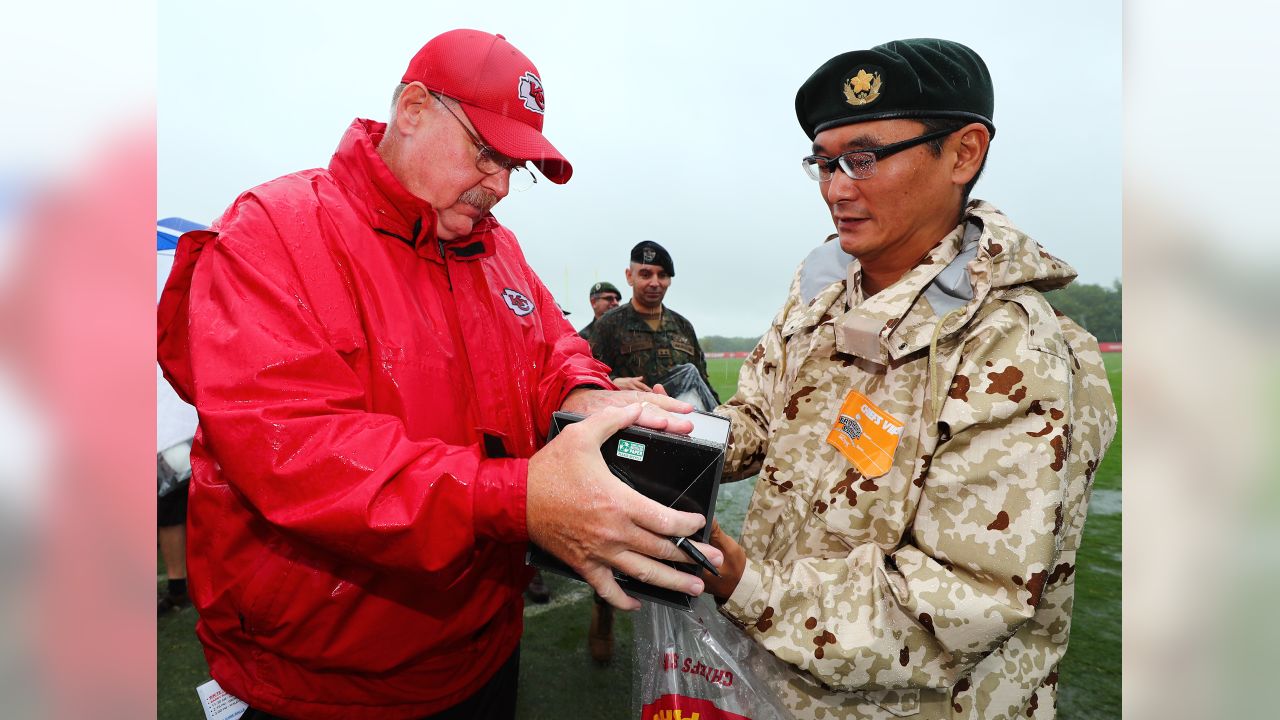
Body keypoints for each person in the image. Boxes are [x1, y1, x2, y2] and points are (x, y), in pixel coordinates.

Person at [156, 29, 720, 720]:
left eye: (517, 166)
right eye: (487, 153)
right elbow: (297, 453)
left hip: (482, 650)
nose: (502, 186)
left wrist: (585, 395)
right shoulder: (274, 232)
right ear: (413, 110)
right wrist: (517, 501)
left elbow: (553, 349)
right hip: (320, 683)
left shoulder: (496, 248)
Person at [703, 39, 1117, 719]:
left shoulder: (1011, 343)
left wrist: (746, 585)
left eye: (863, 159)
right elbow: (762, 414)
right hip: (780, 684)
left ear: (964, 153)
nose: (837, 189)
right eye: (824, 163)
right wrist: (679, 433)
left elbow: (962, 601)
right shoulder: (822, 289)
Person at [587, 241, 719, 410]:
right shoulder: (608, 325)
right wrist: (613, 383)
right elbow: (587, 379)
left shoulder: (683, 327)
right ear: (629, 276)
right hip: (634, 424)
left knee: (690, 373)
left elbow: (703, 383)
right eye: (646, 274)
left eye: (662, 275)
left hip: (683, 423)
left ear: (669, 280)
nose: (655, 283)